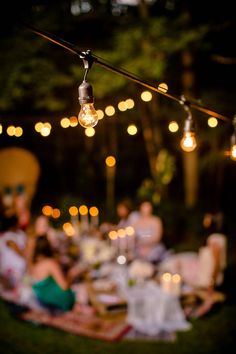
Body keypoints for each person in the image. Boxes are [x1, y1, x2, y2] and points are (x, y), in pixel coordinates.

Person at [29, 235, 75, 312]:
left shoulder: (33, 263)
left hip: (41, 299)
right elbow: (64, 286)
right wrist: (72, 274)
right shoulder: (50, 263)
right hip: (55, 301)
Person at [0, 214, 27, 288]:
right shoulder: (7, 236)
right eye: (17, 222)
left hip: (21, 269)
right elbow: (19, 252)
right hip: (11, 270)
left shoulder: (20, 233)